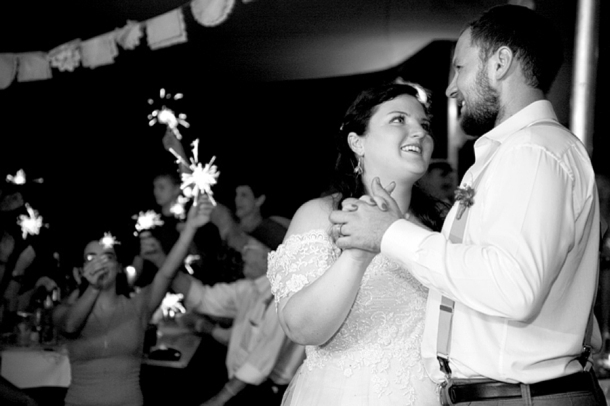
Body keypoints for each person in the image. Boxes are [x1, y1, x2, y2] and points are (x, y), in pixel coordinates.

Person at [330, 5, 607, 405]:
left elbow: (513, 287)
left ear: (500, 63)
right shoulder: (516, 153)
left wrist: (391, 234)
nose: (450, 88)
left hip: (521, 397)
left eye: (459, 68)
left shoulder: (532, 152)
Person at [266, 82, 447, 405]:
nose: (419, 132)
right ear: (357, 142)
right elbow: (301, 329)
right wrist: (357, 254)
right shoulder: (322, 215)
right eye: (398, 120)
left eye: (424, 125)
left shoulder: (443, 225)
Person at [52, 197, 213, 406]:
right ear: (81, 271)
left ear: (118, 267)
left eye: (107, 256)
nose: (100, 262)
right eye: (91, 257)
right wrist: (94, 288)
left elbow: (166, 273)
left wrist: (190, 228)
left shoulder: (137, 306)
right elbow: (70, 325)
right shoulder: (66, 309)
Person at [172, 230, 305, 406]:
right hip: (242, 386)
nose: (242, 252)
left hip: (265, 392)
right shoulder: (251, 289)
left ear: (269, 256)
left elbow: (258, 364)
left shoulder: (284, 298)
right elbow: (203, 298)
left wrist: (219, 400)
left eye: (248, 247)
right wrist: (162, 262)